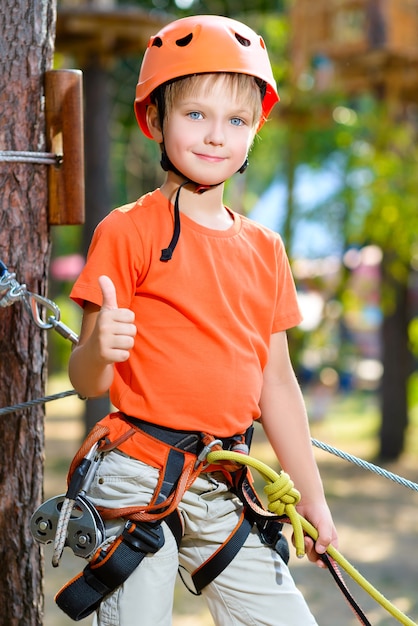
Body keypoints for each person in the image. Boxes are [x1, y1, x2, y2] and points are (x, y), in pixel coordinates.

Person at [67, 14, 338, 626]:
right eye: (196, 115)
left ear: (254, 131)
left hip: (224, 482)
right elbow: (86, 380)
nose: (217, 136)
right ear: (156, 120)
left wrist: (314, 501)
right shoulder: (128, 230)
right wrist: (100, 351)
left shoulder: (265, 248)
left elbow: (278, 385)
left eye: (236, 120)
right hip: (137, 478)